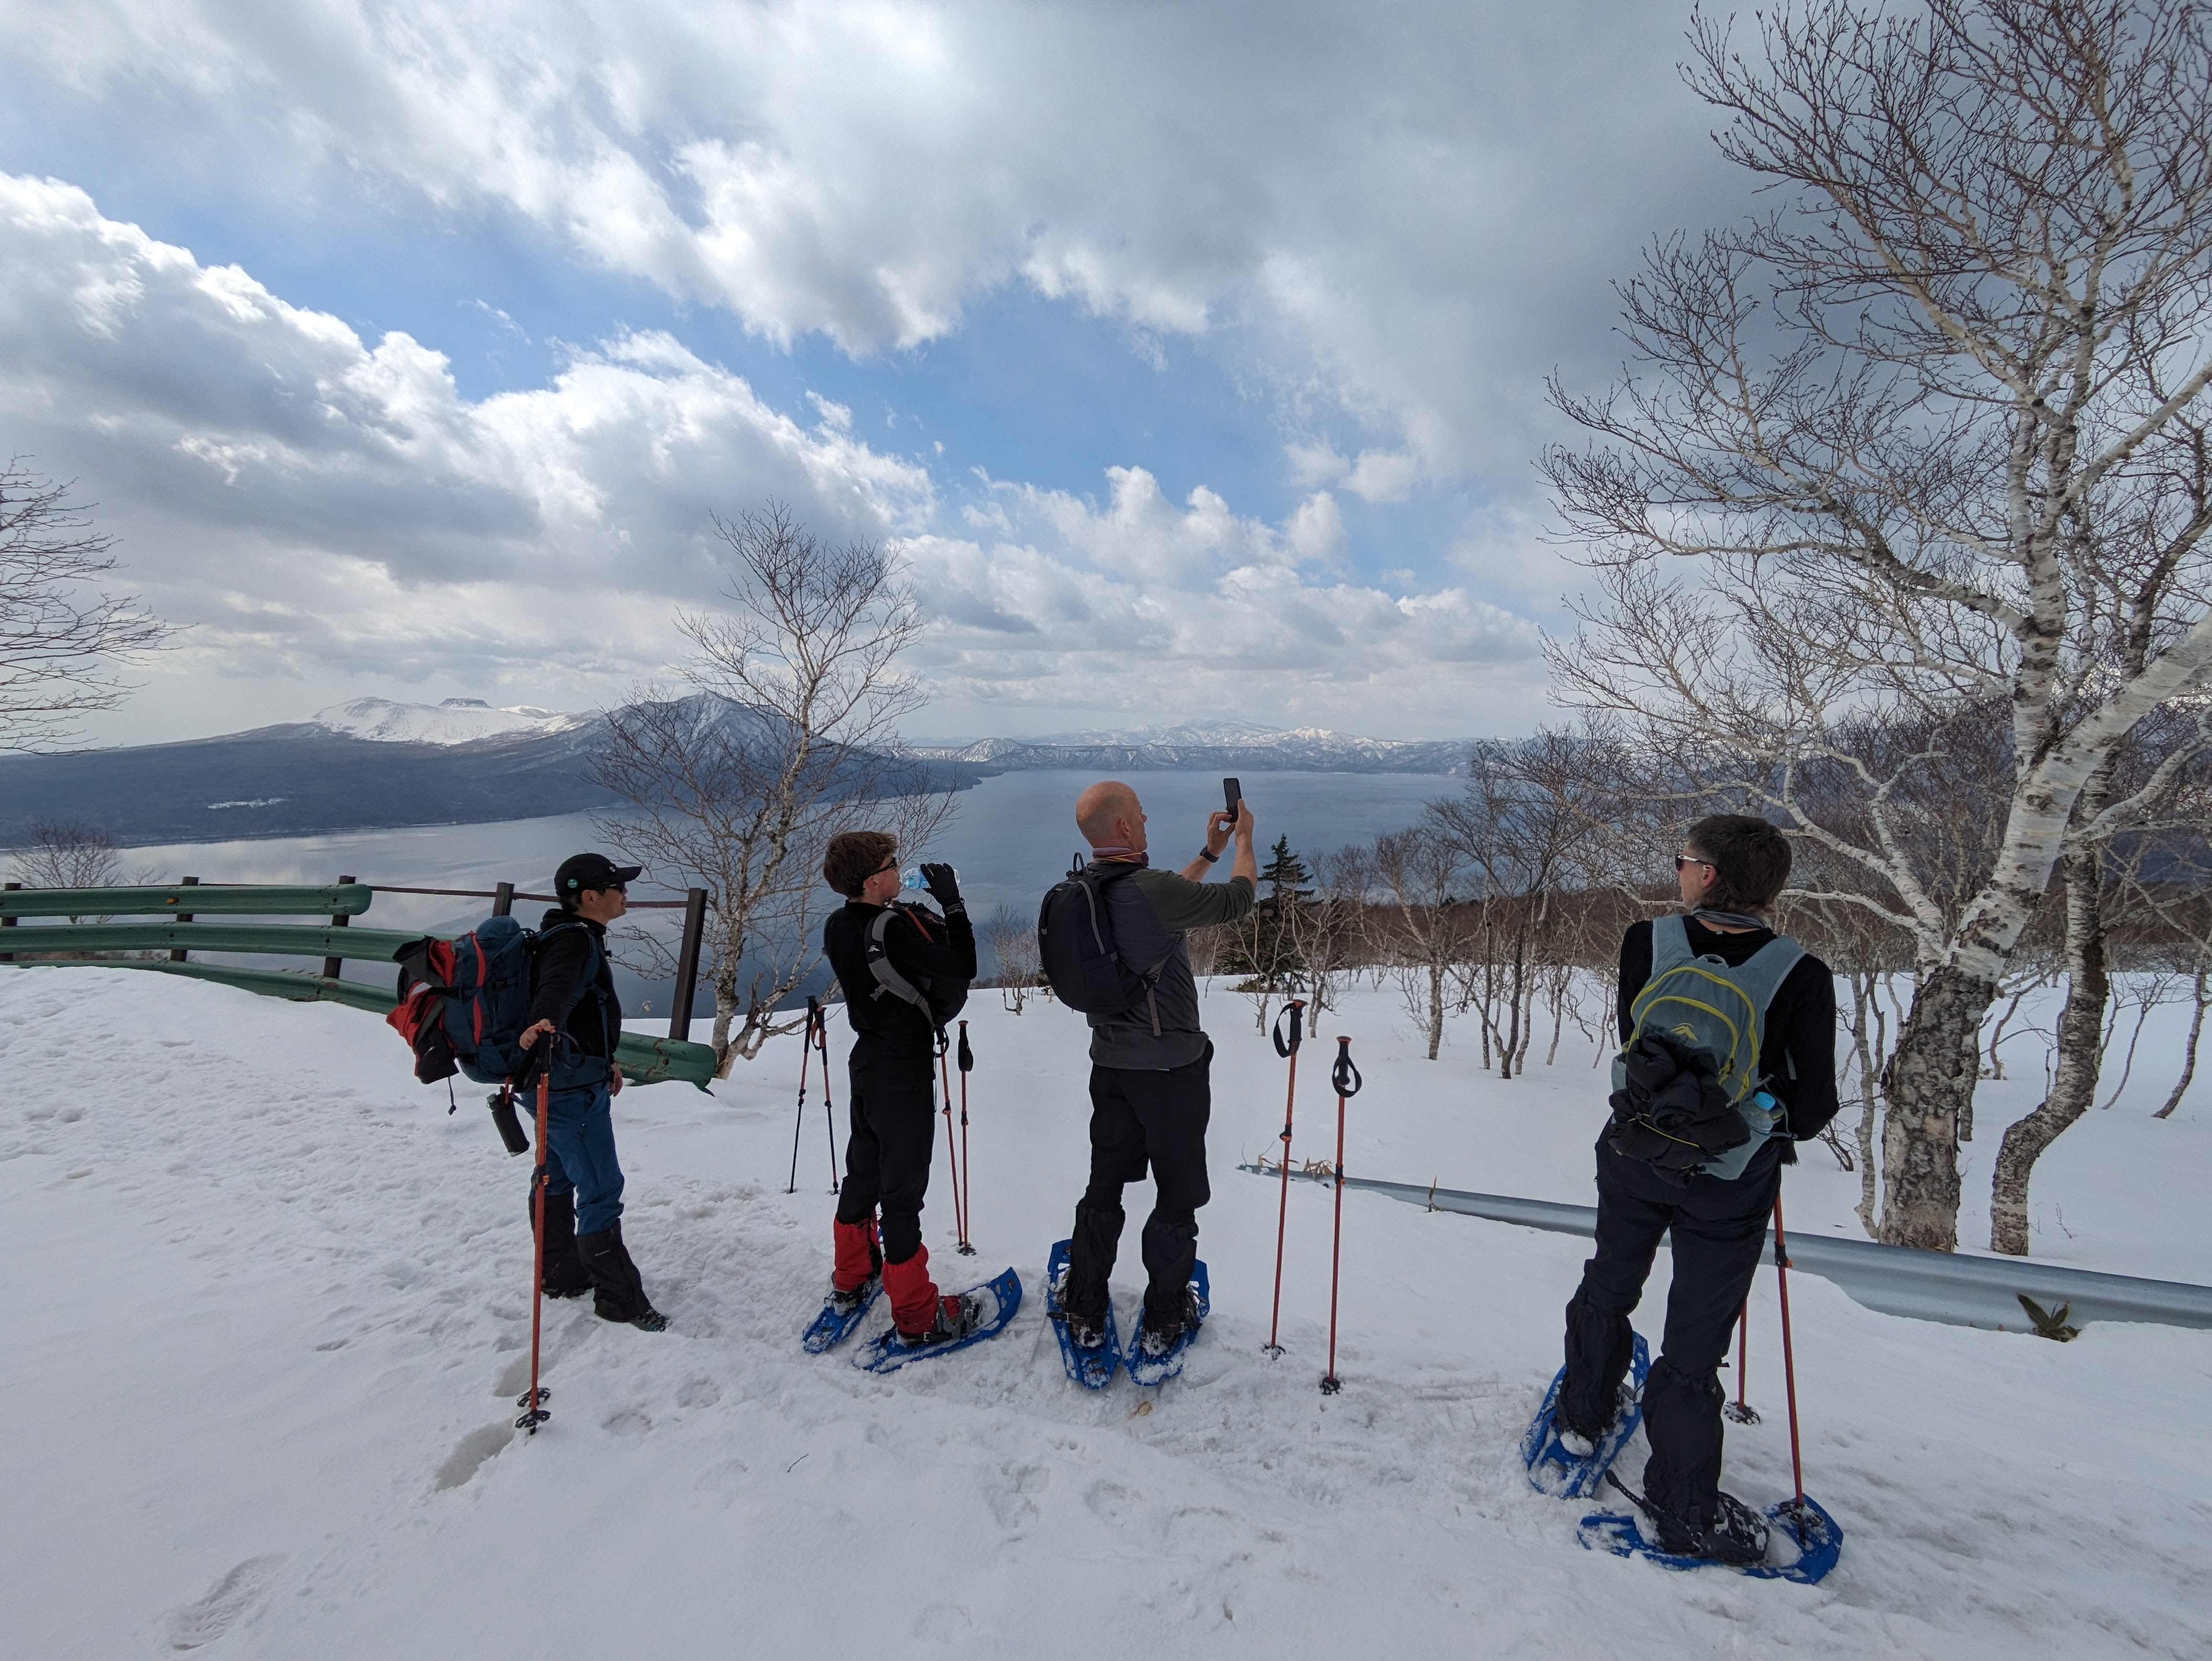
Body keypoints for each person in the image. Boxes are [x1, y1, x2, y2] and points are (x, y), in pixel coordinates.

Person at [1553, 814, 1837, 1561]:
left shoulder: (1648, 943)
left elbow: (1637, 1043)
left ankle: (1583, 1412)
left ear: (1708, 876)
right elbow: (1813, 1112)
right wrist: (1760, 1114)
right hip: (1728, 1175)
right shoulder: (1799, 972)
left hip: (1634, 1150)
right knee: (1693, 1338)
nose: (1678, 869)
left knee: (1610, 1277)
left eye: (1685, 860)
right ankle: (1682, 1509)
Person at [1057, 780, 1256, 1362]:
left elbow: (1166, 905)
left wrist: (1208, 853)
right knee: (1176, 1194)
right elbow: (1239, 900)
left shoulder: (1086, 888)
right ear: (1123, 829)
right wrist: (1243, 841)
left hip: (1110, 1065)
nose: (1145, 820)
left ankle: (1085, 1305)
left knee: (1105, 1185)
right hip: (1170, 1069)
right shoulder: (1150, 891)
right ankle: (1164, 1319)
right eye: (1139, 815)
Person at [819, 831, 981, 1348]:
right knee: (903, 1194)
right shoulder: (892, 928)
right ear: (873, 880)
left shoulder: (838, 924)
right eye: (893, 865)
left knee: (863, 1172)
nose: (899, 870)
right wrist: (952, 902)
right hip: (903, 1073)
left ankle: (851, 1276)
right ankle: (917, 1315)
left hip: (865, 1064)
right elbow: (963, 967)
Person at [517, 852, 667, 1332]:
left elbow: (585, 1007)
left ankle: (561, 1274)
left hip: (559, 1079)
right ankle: (619, 1299)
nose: (626, 894)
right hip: (568, 1090)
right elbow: (557, 991)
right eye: (617, 887)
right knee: (600, 1187)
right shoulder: (574, 944)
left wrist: (606, 1061)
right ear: (590, 897)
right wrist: (544, 1023)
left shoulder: (563, 934)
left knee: (555, 1175)